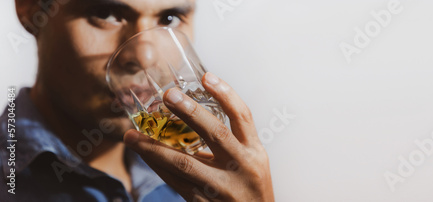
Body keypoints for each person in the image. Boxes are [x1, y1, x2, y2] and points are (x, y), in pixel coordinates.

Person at [0, 0, 274, 201]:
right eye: (104, 14)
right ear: (31, 8)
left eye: (169, 19)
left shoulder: (209, 177)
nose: (145, 57)